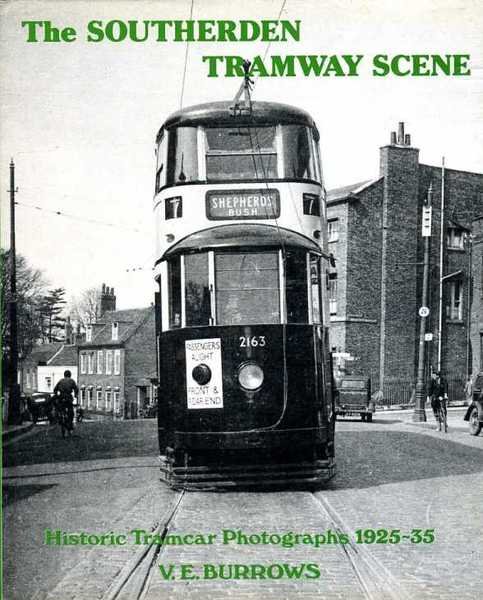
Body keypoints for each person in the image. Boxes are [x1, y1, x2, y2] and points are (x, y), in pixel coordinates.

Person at [53, 370, 78, 434]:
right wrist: (75, 395)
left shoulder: (60, 381)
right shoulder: (72, 381)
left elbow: (55, 389)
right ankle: (70, 423)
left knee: (60, 409)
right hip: (68, 398)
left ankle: (60, 417)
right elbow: (76, 389)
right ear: (70, 375)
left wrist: (56, 394)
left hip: (61, 397)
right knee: (71, 412)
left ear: (64, 375)